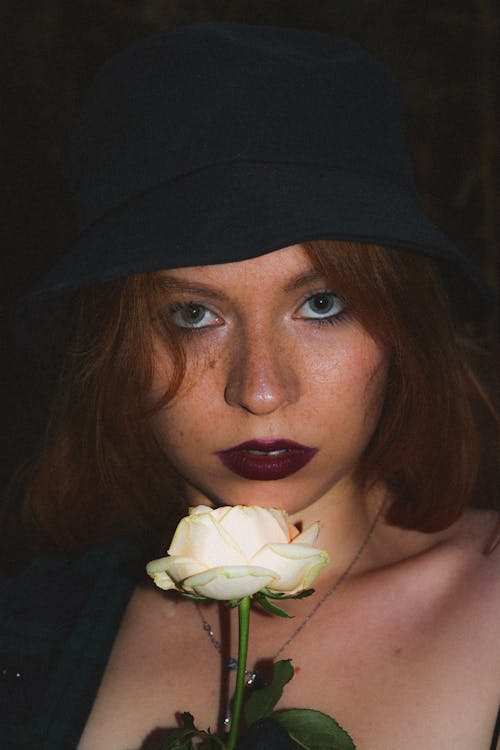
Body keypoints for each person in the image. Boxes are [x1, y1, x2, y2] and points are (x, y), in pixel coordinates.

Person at [1, 21, 499, 750]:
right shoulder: (31, 627)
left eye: (322, 304)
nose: (261, 392)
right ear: (112, 348)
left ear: (401, 325)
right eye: (193, 314)